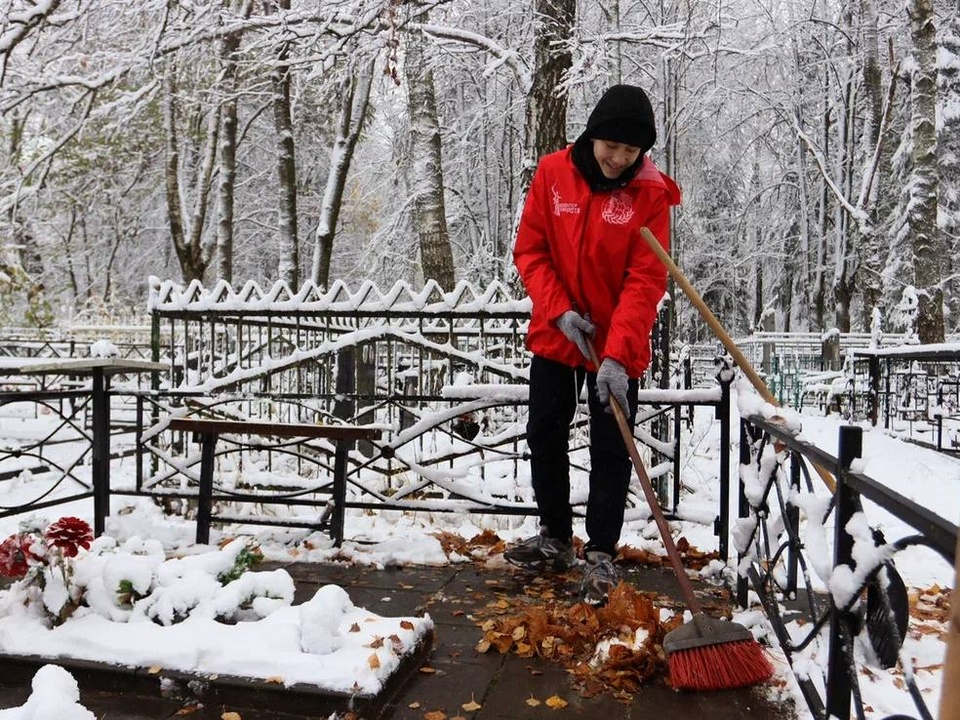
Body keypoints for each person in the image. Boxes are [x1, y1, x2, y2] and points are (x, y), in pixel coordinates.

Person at [505, 84, 681, 604]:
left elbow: (646, 279)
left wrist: (618, 355)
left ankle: (602, 552)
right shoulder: (553, 173)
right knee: (545, 433)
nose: (618, 158)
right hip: (557, 333)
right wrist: (558, 310)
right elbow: (530, 250)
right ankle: (556, 537)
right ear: (593, 134)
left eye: (630, 151)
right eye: (611, 146)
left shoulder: (649, 194)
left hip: (614, 345)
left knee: (611, 445)